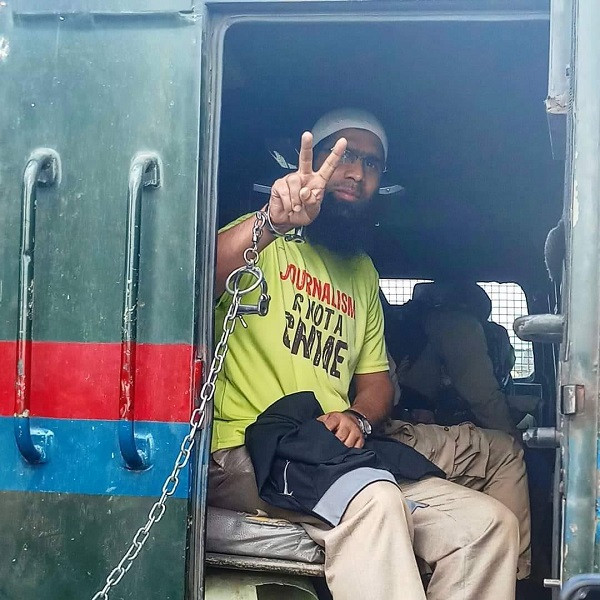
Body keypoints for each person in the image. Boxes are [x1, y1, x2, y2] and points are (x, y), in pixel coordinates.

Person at [208, 108, 520, 600]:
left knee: (486, 526)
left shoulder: (362, 272)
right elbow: (188, 281)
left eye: (371, 164)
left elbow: (377, 384)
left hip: (331, 453)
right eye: (345, 156)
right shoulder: (263, 236)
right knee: (373, 500)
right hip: (247, 449)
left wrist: (357, 416)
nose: (356, 172)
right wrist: (271, 221)